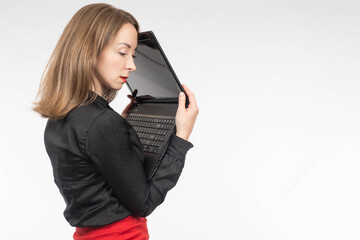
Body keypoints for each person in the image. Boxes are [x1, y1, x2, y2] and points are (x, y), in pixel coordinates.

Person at [32, 3, 199, 240]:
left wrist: (122, 132)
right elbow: (145, 202)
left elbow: (93, 177)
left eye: (133, 54)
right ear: (89, 50)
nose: (131, 65)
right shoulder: (101, 123)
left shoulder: (61, 117)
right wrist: (181, 137)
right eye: (123, 52)